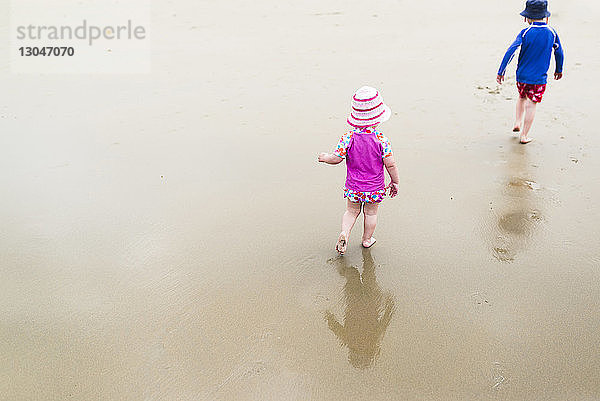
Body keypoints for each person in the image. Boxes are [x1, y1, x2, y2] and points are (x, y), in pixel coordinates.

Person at [318, 86, 400, 255]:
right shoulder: (381, 140)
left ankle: (345, 233)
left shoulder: (348, 138)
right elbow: (390, 164)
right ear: (379, 118)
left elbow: (337, 158)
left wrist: (325, 157)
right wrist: (395, 181)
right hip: (374, 188)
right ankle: (367, 239)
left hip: (353, 187)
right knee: (370, 214)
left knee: (351, 211)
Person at [496, 0, 564, 144]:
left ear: (527, 17)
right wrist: (559, 69)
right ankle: (524, 135)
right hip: (539, 79)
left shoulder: (525, 32)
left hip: (521, 76)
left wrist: (501, 71)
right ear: (546, 17)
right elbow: (559, 53)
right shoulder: (552, 32)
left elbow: (511, 51)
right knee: (532, 103)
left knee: (522, 97)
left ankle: (517, 122)